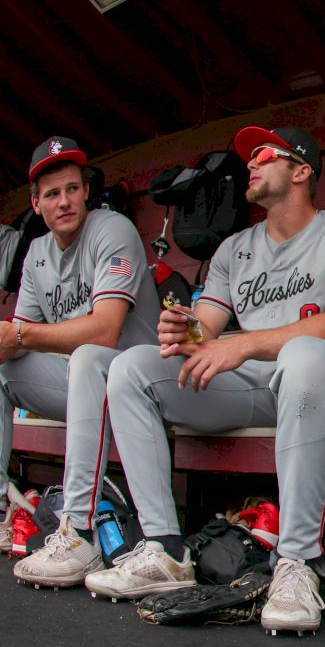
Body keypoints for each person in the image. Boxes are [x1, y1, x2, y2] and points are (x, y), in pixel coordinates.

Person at [84, 126, 325, 637]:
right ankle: (165, 549)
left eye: (264, 155)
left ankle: (295, 563)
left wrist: (245, 342)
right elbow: (208, 330)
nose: (252, 163)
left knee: (306, 355)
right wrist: (184, 330)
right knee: (131, 367)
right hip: (252, 389)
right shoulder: (234, 249)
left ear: (302, 170)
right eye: (250, 157)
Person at [2, 137, 158, 579]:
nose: (65, 201)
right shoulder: (36, 254)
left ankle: (78, 531)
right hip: (77, 380)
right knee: (2, 368)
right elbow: (20, 341)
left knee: (90, 354)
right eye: (52, 194)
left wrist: (19, 333)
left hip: (134, 380)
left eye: (72, 189)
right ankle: (0, 508)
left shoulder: (111, 229)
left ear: (86, 191)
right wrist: (10, 338)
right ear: (36, 204)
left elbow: (106, 329)